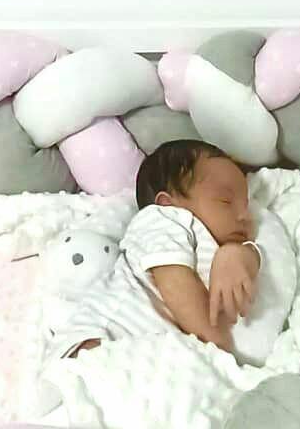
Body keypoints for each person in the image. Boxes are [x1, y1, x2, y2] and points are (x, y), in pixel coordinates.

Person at [48, 139, 263, 360]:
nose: (244, 216)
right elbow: (174, 282)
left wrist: (241, 254)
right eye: (226, 201)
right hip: (102, 341)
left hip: (149, 354)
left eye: (246, 205)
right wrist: (217, 344)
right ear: (167, 203)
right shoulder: (163, 219)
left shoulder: (222, 243)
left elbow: (259, 253)